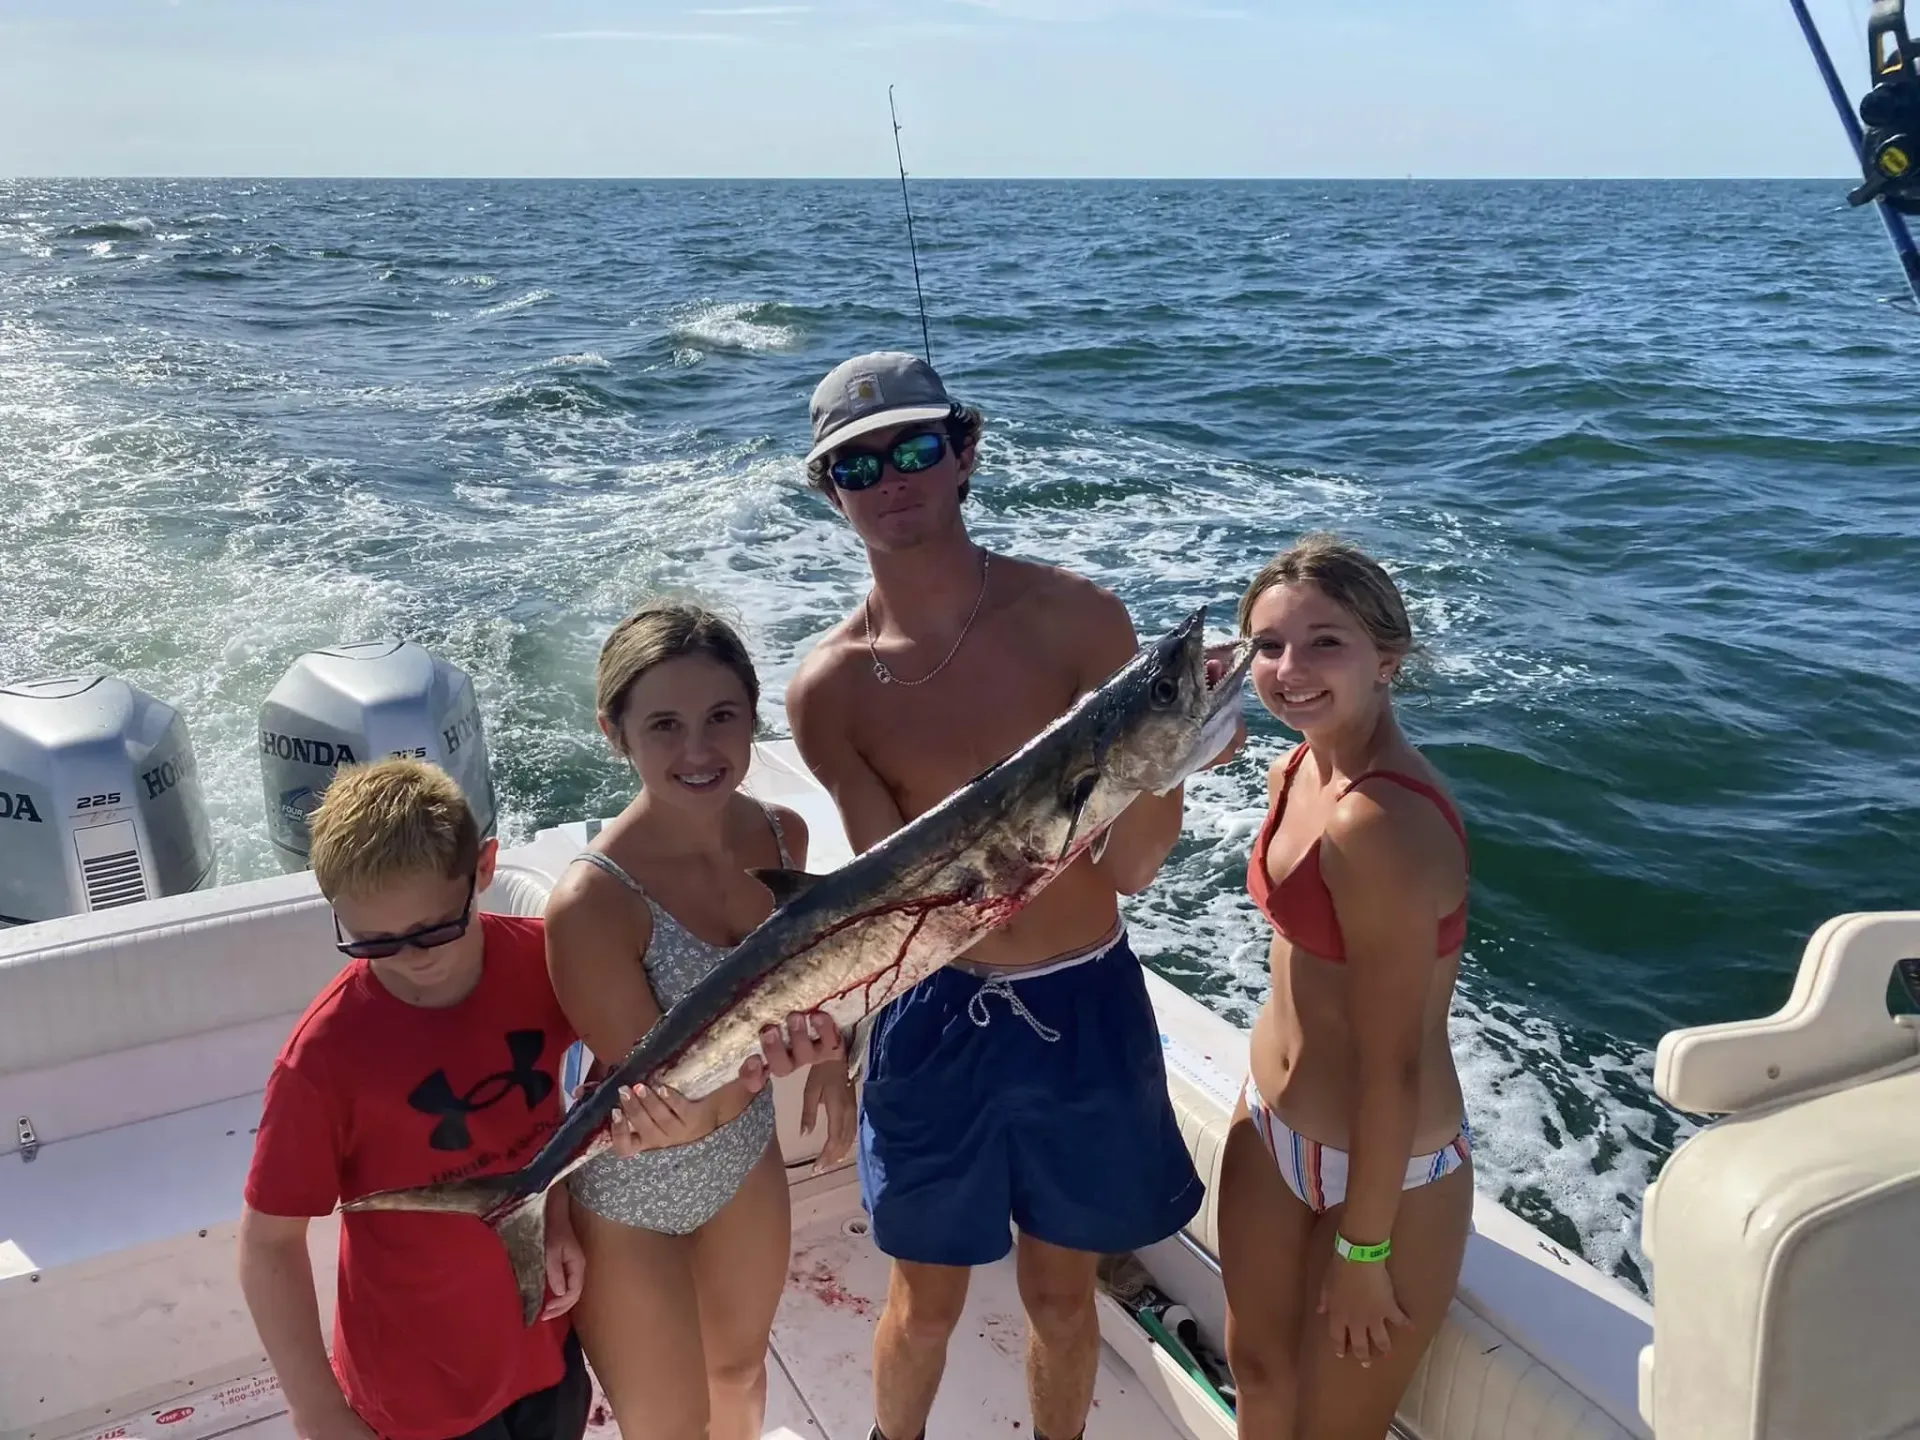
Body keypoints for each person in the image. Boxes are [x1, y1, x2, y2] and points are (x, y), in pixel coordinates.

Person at [751, 350, 1242, 1440]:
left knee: (1064, 1298)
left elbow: (1127, 865)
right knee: (923, 1305)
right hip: (935, 1015)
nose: (891, 478)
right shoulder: (828, 691)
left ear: (965, 451)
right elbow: (894, 906)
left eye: (916, 447)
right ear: (828, 490)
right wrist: (835, 1040)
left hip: (1083, 1007)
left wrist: (1164, 768)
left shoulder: (1079, 619)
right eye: (856, 464)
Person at [542, 598, 857, 1440]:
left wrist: (829, 1060)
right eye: (664, 726)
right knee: (669, 1427)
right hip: (628, 1193)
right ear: (615, 734)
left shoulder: (785, 840)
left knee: (740, 1374)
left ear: (753, 716)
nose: (698, 750)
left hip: (742, 1157)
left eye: (721, 718)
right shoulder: (593, 903)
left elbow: (811, 981)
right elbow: (667, 1100)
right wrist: (779, 1063)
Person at [238, 757, 591, 1440]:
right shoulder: (322, 1061)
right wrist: (316, 1409)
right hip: (413, 1397)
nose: (410, 957)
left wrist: (561, 1217)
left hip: (543, 1348)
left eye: (433, 930)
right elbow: (267, 1245)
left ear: (484, 868)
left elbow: (568, 1106)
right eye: (373, 942)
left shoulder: (552, 964)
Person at [1215, 533, 1474, 1440]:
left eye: (1326, 642)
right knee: (1257, 1375)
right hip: (1273, 1126)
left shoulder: (1380, 822)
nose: (1289, 668)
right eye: (1268, 644)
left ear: (1388, 658)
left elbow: (1393, 1064)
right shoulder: (1298, 764)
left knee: (1334, 1429)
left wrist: (1367, 1253)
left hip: (1388, 1173)